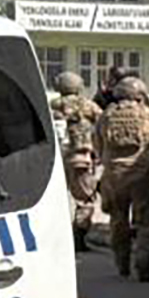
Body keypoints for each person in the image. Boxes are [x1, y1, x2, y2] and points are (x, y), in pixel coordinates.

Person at [97, 76, 149, 282]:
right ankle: (143, 260)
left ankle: (122, 263)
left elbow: (97, 145)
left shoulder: (105, 116)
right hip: (143, 176)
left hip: (114, 176)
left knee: (118, 220)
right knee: (147, 220)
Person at [50, 72, 102, 252]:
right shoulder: (88, 106)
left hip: (55, 161)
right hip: (80, 159)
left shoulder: (52, 106)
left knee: (55, 200)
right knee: (85, 199)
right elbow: (103, 124)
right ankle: (79, 236)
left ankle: (55, 237)